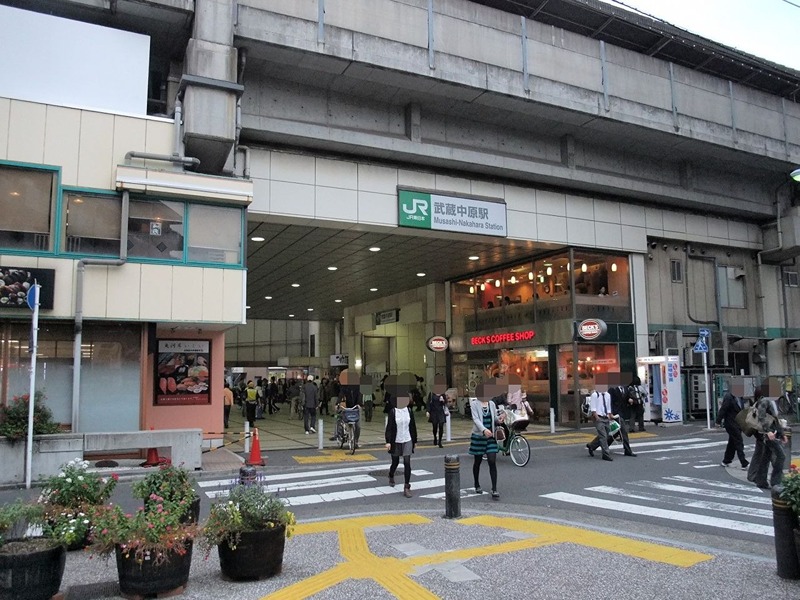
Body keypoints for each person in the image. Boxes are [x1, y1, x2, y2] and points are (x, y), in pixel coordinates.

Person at [469, 381, 504, 500]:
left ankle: (494, 488)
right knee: (477, 461)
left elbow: (494, 418)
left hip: (491, 437)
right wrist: (484, 430)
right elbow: (476, 419)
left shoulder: (492, 404)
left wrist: (499, 419)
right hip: (479, 437)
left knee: (492, 461)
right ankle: (476, 484)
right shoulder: (474, 404)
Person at [385, 374, 418, 498]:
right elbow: (389, 428)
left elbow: (413, 426)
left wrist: (415, 440)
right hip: (396, 440)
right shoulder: (393, 412)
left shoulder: (409, 411)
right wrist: (388, 441)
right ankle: (391, 474)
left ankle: (407, 486)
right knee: (395, 462)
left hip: (407, 439)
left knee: (407, 462)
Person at [747, 389, 787, 489]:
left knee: (766, 457)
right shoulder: (765, 401)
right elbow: (762, 417)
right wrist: (768, 431)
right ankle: (776, 481)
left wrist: (782, 433)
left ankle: (761, 481)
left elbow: (775, 420)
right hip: (769, 434)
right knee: (781, 456)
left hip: (771, 433)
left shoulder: (771, 401)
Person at [715, 386, 749, 469]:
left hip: (738, 423)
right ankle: (743, 462)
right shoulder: (729, 397)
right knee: (738, 441)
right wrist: (718, 421)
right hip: (731, 423)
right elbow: (723, 409)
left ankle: (726, 460)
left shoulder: (740, 397)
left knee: (732, 442)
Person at [608, 377, 636, 457]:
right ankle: (627, 450)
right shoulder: (612, 389)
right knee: (623, 432)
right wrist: (610, 413)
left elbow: (627, 398)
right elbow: (610, 402)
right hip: (615, 413)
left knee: (615, 432)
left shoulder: (625, 389)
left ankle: (594, 445)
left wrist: (630, 400)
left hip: (622, 413)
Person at [586, 385, 614, 461]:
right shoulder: (595, 395)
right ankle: (605, 454)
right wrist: (596, 417)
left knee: (607, 435)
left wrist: (610, 415)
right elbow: (593, 408)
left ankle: (591, 445)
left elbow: (608, 407)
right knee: (603, 436)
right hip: (599, 417)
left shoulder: (608, 395)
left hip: (606, 417)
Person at [427, 374, 448, 448]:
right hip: (434, 412)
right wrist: (428, 411)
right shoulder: (432, 393)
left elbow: (445, 402)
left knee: (441, 425)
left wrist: (443, 400)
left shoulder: (442, 393)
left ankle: (440, 441)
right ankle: (435, 437)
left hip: (440, 411)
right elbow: (428, 402)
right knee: (435, 426)